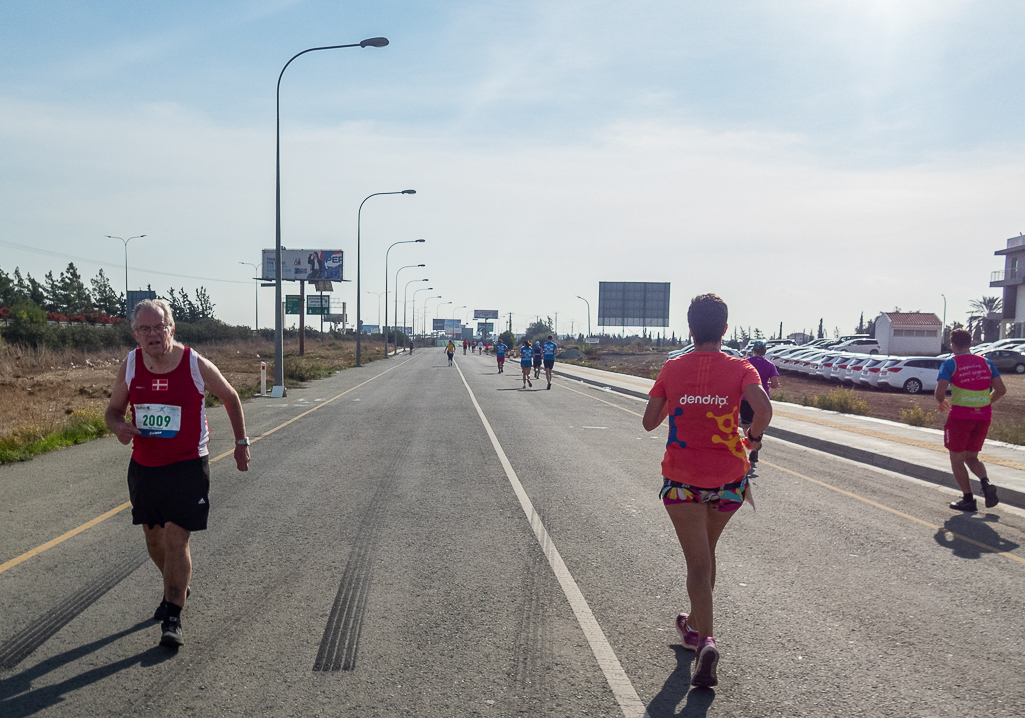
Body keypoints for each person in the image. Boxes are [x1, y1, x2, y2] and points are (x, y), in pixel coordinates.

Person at [105, 299, 250, 649]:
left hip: (187, 464)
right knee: (154, 540)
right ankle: (177, 586)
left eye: (159, 327)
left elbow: (230, 398)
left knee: (176, 538)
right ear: (135, 334)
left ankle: (172, 615)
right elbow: (112, 411)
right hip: (145, 467)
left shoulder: (194, 364)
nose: (153, 334)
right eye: (145, 329)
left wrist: (241, 443)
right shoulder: (131, 364)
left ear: (172, 329)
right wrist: (119, 428)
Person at [642, 294, 771, 688]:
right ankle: (694, 625)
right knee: (707, 555)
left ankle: (705, 642)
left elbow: (650, 422)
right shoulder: (741, 367)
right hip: (730, 481)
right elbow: (762, 409)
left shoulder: (673, 367)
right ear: (726, 330)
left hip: (683, 481)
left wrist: (677, 402)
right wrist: (752, 437)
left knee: (697, 564)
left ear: (691, 329)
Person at [935, 328, 1006, 511]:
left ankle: (968, 499)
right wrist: (985, 402)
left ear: (954, 345)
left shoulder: (950, 363)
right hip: (983, 417)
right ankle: (985, 484)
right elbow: (1001, 390)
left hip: (960, 417)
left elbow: (939, 392)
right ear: (970, 344)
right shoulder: (987, 362)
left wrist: (941, 401)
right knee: (971, 457)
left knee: (957, 459)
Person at [740, 341, 779, 467]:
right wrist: (764, 384)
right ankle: (755, 445)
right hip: (762, 398)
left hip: (746, 397)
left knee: (746, 424)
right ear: (765, 351)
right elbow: (775, 384)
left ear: (754, 350)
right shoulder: (770, 365)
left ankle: (751, 444)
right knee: (759, 423)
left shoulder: (746, 362)